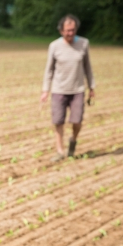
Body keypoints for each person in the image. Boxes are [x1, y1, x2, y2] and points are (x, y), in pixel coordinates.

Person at [41, 14, 95, 162]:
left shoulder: (84, 43)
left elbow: (87, 67)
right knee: (58, 121)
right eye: (67, 30)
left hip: (77, 89)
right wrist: (45, 90)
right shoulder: (54, 46)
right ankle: (60, 151)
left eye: (72, 30)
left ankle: (73, 140)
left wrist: (92, 87)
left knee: (77, 121)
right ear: (61, 31)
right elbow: (49, 69)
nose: (70, 33)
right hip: (59, 89)